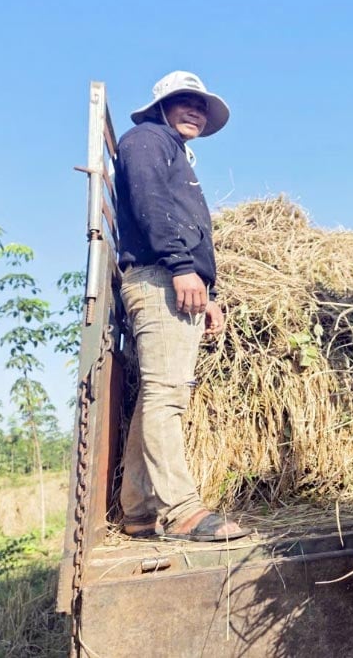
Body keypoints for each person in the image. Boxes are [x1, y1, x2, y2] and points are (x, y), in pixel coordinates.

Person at [115, 70, 249, 542]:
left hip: (172, 280)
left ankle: (137, 509)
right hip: (159, 279)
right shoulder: (146, 140)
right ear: (161, 107)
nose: (195, 110)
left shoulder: (171, 150)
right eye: (184, 101)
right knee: (167, 395)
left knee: (159, 393)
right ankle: (183, 511)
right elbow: (152, 205)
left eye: (201, 105)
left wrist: (205, 292)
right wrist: (179, 266)